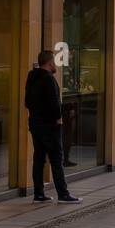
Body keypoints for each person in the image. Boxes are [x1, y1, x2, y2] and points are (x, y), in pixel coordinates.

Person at [24, 50, 80, 204]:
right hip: (50, 125)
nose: (55, 65)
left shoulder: (31, 77)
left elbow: (27, 102)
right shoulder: (48, 79)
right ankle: (63, 194)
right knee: (57, 159)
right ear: (49, 63)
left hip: (35, 124)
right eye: (54, 62)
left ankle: (39, 194)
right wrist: (58, 118)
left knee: (39, 159)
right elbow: (55, 102)